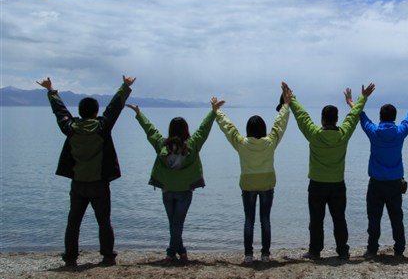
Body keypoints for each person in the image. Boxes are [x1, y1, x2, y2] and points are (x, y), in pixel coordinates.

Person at [38, 75, 135, 267]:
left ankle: (70, 258)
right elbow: (114, 108)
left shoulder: (70, 128)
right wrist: (125, 86)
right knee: (104, 222)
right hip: (99, 184)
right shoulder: (101, 127)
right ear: (96, 111)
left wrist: (50, 90)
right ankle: (108, 256)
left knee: (73, 222)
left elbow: (60, 111)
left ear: (80, 112)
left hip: (78, 184)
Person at [284, 81, 375, 261]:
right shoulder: (343, 134)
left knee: (316, 220)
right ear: (336, 119)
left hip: (317, 184)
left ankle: (315, 251)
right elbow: (354, 115)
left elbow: (302, 116)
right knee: (339, 218)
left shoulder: (315, 135)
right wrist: (362, 97)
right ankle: (343, 251)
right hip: (337, 184)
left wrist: (291, 99)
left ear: (322, 119)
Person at [127, 97, 223, 263]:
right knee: (176, 224)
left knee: (174, 224)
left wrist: (139, 114)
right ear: (186, 130)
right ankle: (172, 253)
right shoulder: (192, 144)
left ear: (170, 130)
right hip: (185, 190)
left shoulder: (161, 144)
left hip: (167, 189)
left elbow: (150, 130)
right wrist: (213, 112)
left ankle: (179, 252)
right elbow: (204, 129)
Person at [213, 84, 292, 264]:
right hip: (266, 185)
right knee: (265, 220)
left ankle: (248, 255)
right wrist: (286, 105)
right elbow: (280, 124)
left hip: (248, 185)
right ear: (263, 129)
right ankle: (265, 255)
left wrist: (218, 112)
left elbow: (229, 128)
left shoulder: (242, 143)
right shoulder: (270, 142)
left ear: (248, 129)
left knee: (249, 220)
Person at [349, 91, 408, 259]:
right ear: (394, 117)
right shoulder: (400, 132)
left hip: (376, 183)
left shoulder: (374, 132)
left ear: (380, 117)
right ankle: (399, 250)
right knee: (396, 218)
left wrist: (352, 102)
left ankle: (372, 250)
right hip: (395, 183)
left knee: (374, 218)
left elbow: (361, 116)